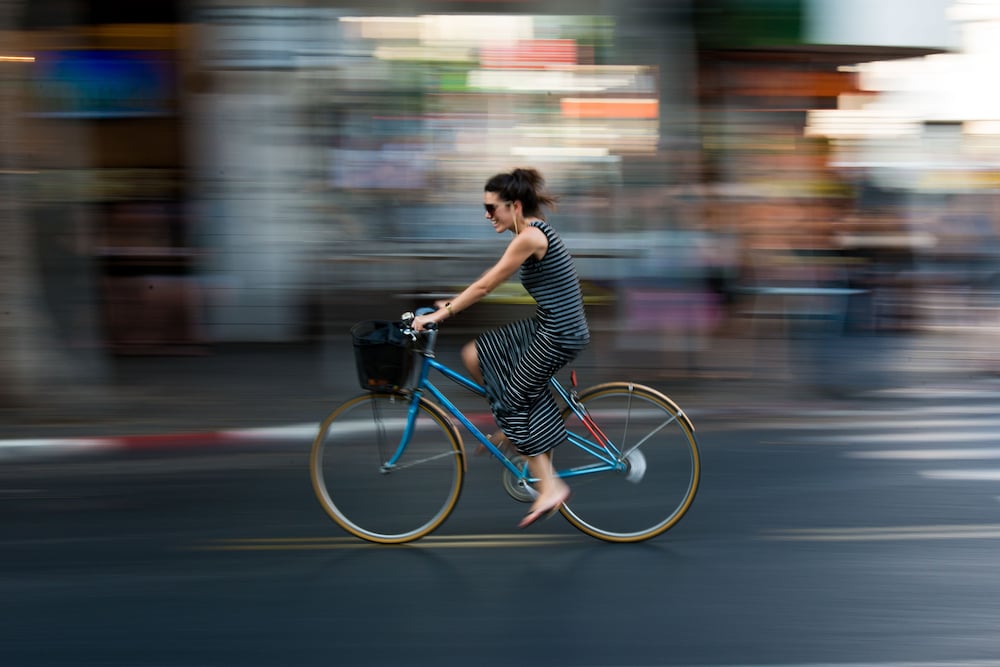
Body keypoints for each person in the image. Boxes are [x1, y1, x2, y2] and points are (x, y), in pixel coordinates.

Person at [413, 168, 590, 528]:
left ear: (516, 206)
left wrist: (441, 316)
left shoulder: (530, 237)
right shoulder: (531, 233)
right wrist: (451, 303)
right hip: (548, 324)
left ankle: (550, 486)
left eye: (492, 208)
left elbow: (487, 285)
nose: (487, 215)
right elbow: (487, 285)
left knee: (514, 398)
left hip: (560, 332)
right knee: (475, 354)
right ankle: (518, 430)